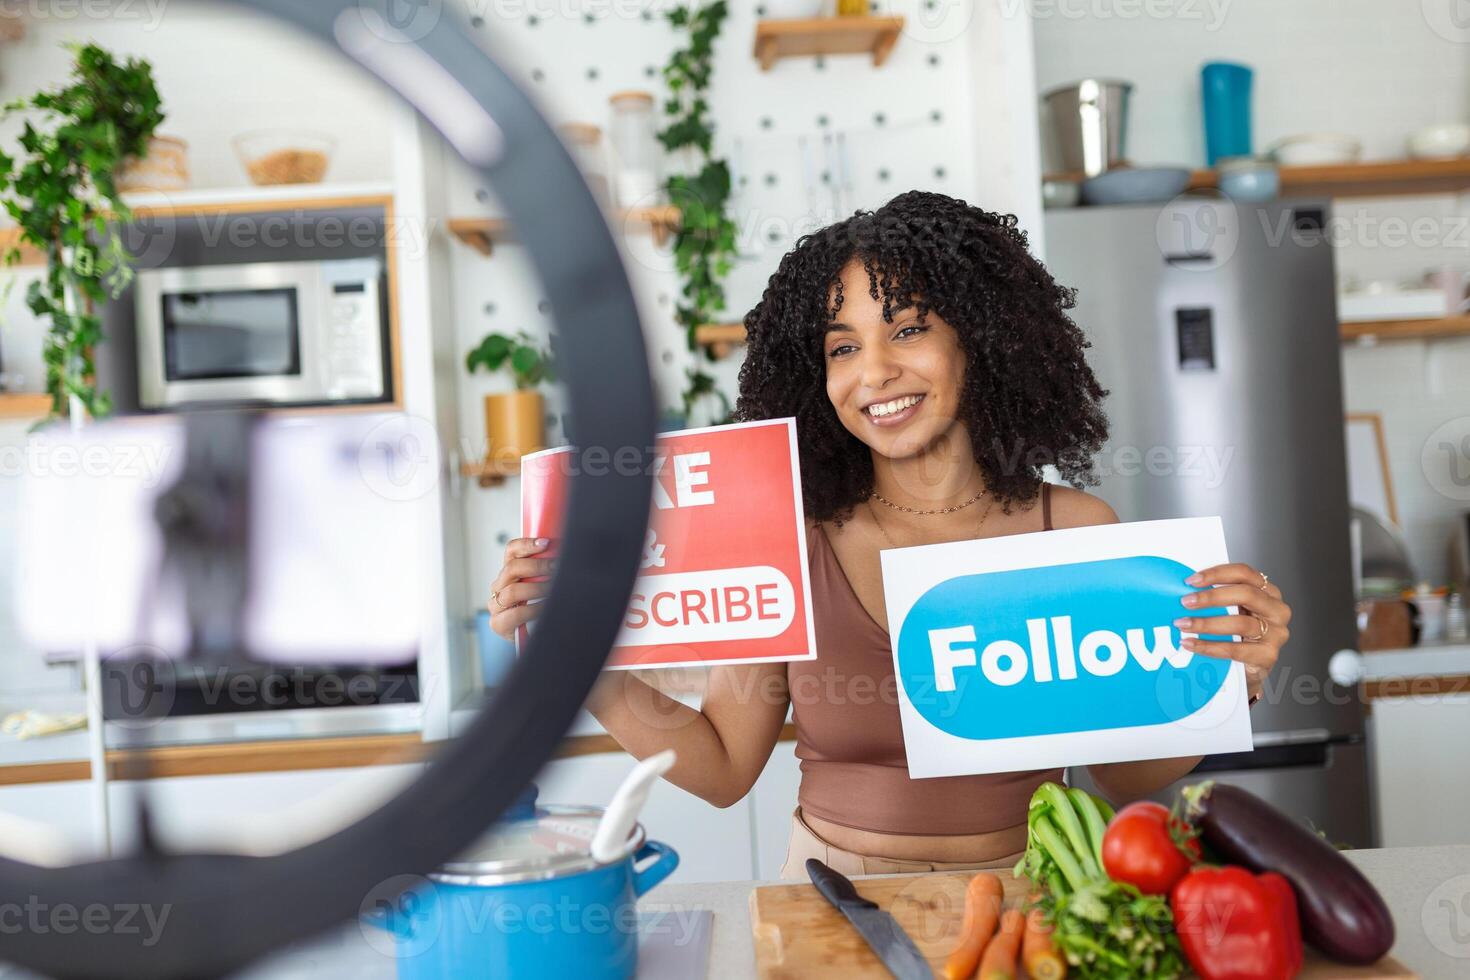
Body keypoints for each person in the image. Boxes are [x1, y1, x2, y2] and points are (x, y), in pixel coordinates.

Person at [487, 190, 1291, 879]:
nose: (873, 373)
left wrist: (1224, 680)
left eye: (907, 330)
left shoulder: (1075, 531)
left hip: (1030, 892)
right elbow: (725, 766)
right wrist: (581, 667)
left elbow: (1127, 772)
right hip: (831, 893)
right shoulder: (788, 543)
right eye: (844, 347)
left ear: (979, 339)